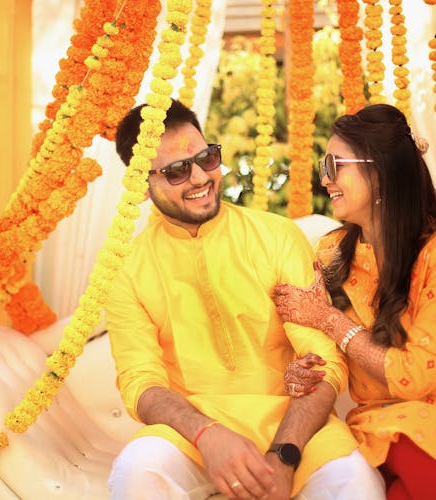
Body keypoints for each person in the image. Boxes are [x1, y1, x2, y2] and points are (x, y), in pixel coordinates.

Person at [105, 99, 385, 500]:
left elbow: (325, 359)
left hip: (296, 426)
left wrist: (284, 455)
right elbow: (140, 382)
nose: (201, 176)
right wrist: (207, 435)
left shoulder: (275, 237)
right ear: (139, 185)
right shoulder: (126, 268)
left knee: (356, 487)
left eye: (206, 157)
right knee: (138, 471)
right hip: (191, 435)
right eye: (176, 170)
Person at [272, 103, 436, 499]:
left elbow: (414, 377)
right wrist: (302, 373)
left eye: (334, 164)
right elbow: (331, 355)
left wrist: (327, 319)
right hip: (382, 428)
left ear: (379, 170)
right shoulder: (330, 254)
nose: (324, 178)